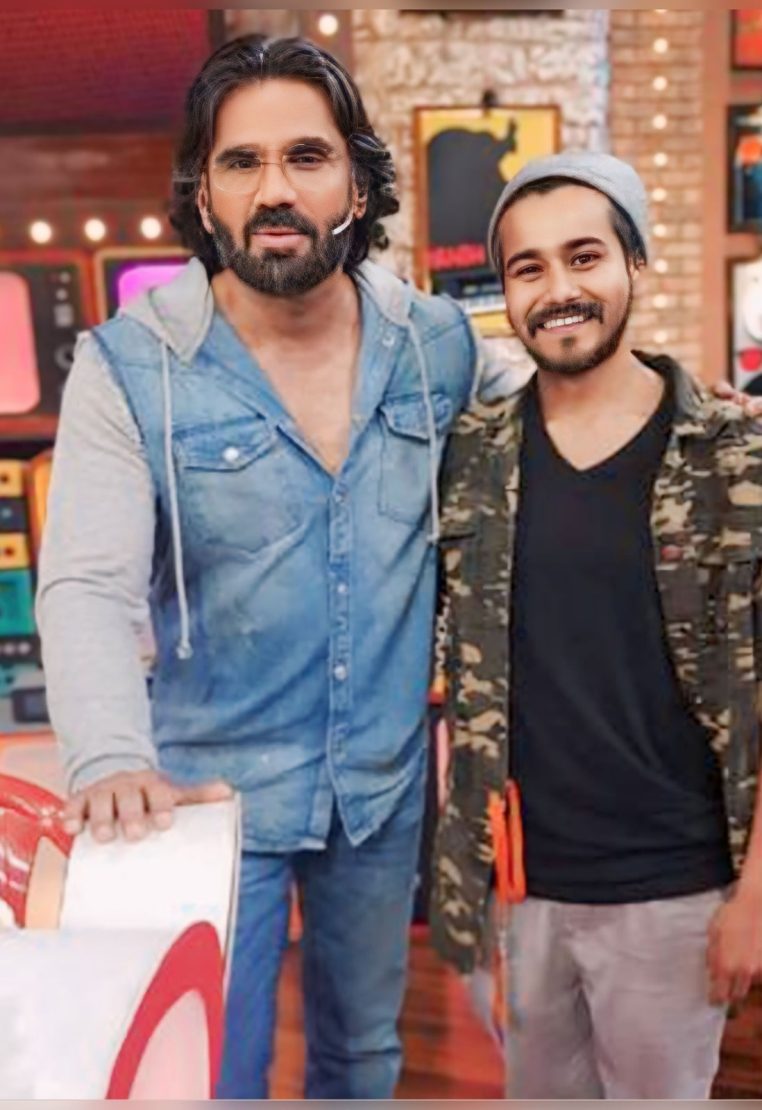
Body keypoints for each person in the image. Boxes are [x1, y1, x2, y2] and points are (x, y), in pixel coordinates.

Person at [36, 34, 515, 1100]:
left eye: (306, 156)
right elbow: (86, 584)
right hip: (201, 801)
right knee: (211, 1070)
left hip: (380, 790)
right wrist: (108, 755)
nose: (275, 190)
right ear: (204, 196)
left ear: (356, 182)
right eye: (241, 162)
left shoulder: (434, 345)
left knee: (363, 1056)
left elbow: (552, 425)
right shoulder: (132, 367)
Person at [430, 151, 762, 1099]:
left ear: (634, 264)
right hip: (519, 885)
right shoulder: (472, 455)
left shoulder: (734, 454)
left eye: (584, 257)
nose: (558, 289)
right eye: (528, 268)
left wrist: (755, 896)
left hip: (674, 887)